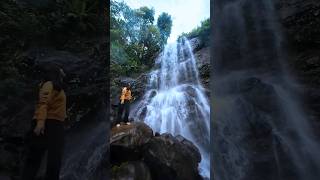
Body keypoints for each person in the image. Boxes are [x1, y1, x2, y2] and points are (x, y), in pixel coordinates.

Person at [22, 64, 66, 180]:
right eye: (61, 70)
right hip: (49, 124)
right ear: (56, 72)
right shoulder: (48, 85)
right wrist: (40, 123)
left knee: (53, 158)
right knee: (37, 157)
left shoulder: (56, 86)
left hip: (55, 123)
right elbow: (43, 103)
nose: (63, 72)